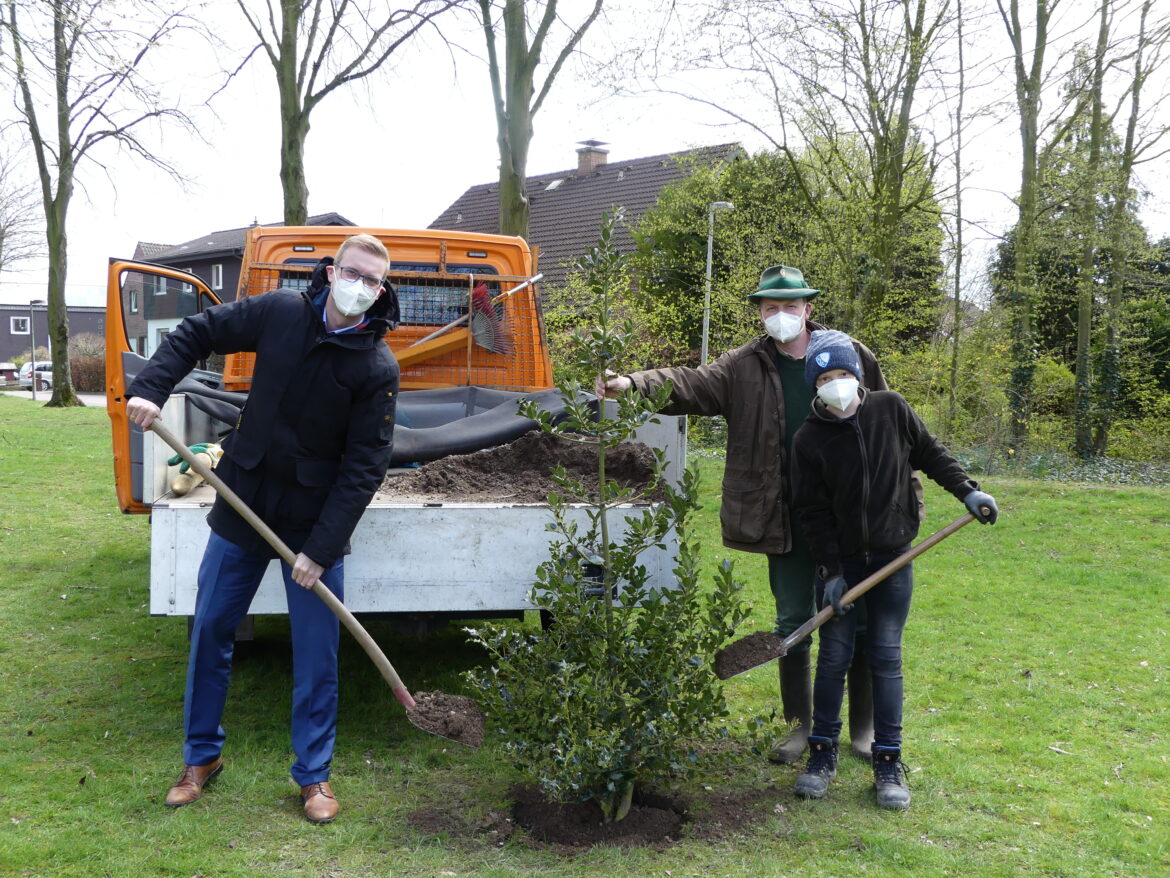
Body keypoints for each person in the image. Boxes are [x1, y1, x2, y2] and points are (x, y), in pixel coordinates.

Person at [125, 233, 400, 824]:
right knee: (211, 630)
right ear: (331, 271)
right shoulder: (279, 314)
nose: (359, 288)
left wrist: (320, 551)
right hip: (242, 499)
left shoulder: (376, 366)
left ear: (382, 289)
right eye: (352, 273)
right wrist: (151, 389)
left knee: (317, 651)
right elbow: (196, 333)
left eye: (372, 281)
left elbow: (364, 468)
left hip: (313, 525)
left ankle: (314, 775)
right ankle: (201, 758)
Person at [596, 264, 909, 763]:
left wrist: (900, 497)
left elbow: (890, 424)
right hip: (784, 516)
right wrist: (632, 384)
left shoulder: (852, 355)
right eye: (770, 308)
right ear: (760, 313)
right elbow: (690, 384)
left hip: (854, 518)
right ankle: (798, 728)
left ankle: (864, 730)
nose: (781, 316)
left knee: (862, 616)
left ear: (809, 308)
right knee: (793, 621)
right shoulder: (743, 366)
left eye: (790, 306)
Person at [790, 329, 998, 809]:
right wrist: (831, 572)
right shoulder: (809, 439)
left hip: (893, 557)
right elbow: (813, 512)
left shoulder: (891, 409)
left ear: (859, 377)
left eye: (844, 374)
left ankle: (888, 761)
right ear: (814, 386)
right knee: (834, 656)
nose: (837, 384)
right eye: (826, 377)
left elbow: (930, 453)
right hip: (844, 564)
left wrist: (968, 491)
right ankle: (821, 754)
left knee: (885, 656)